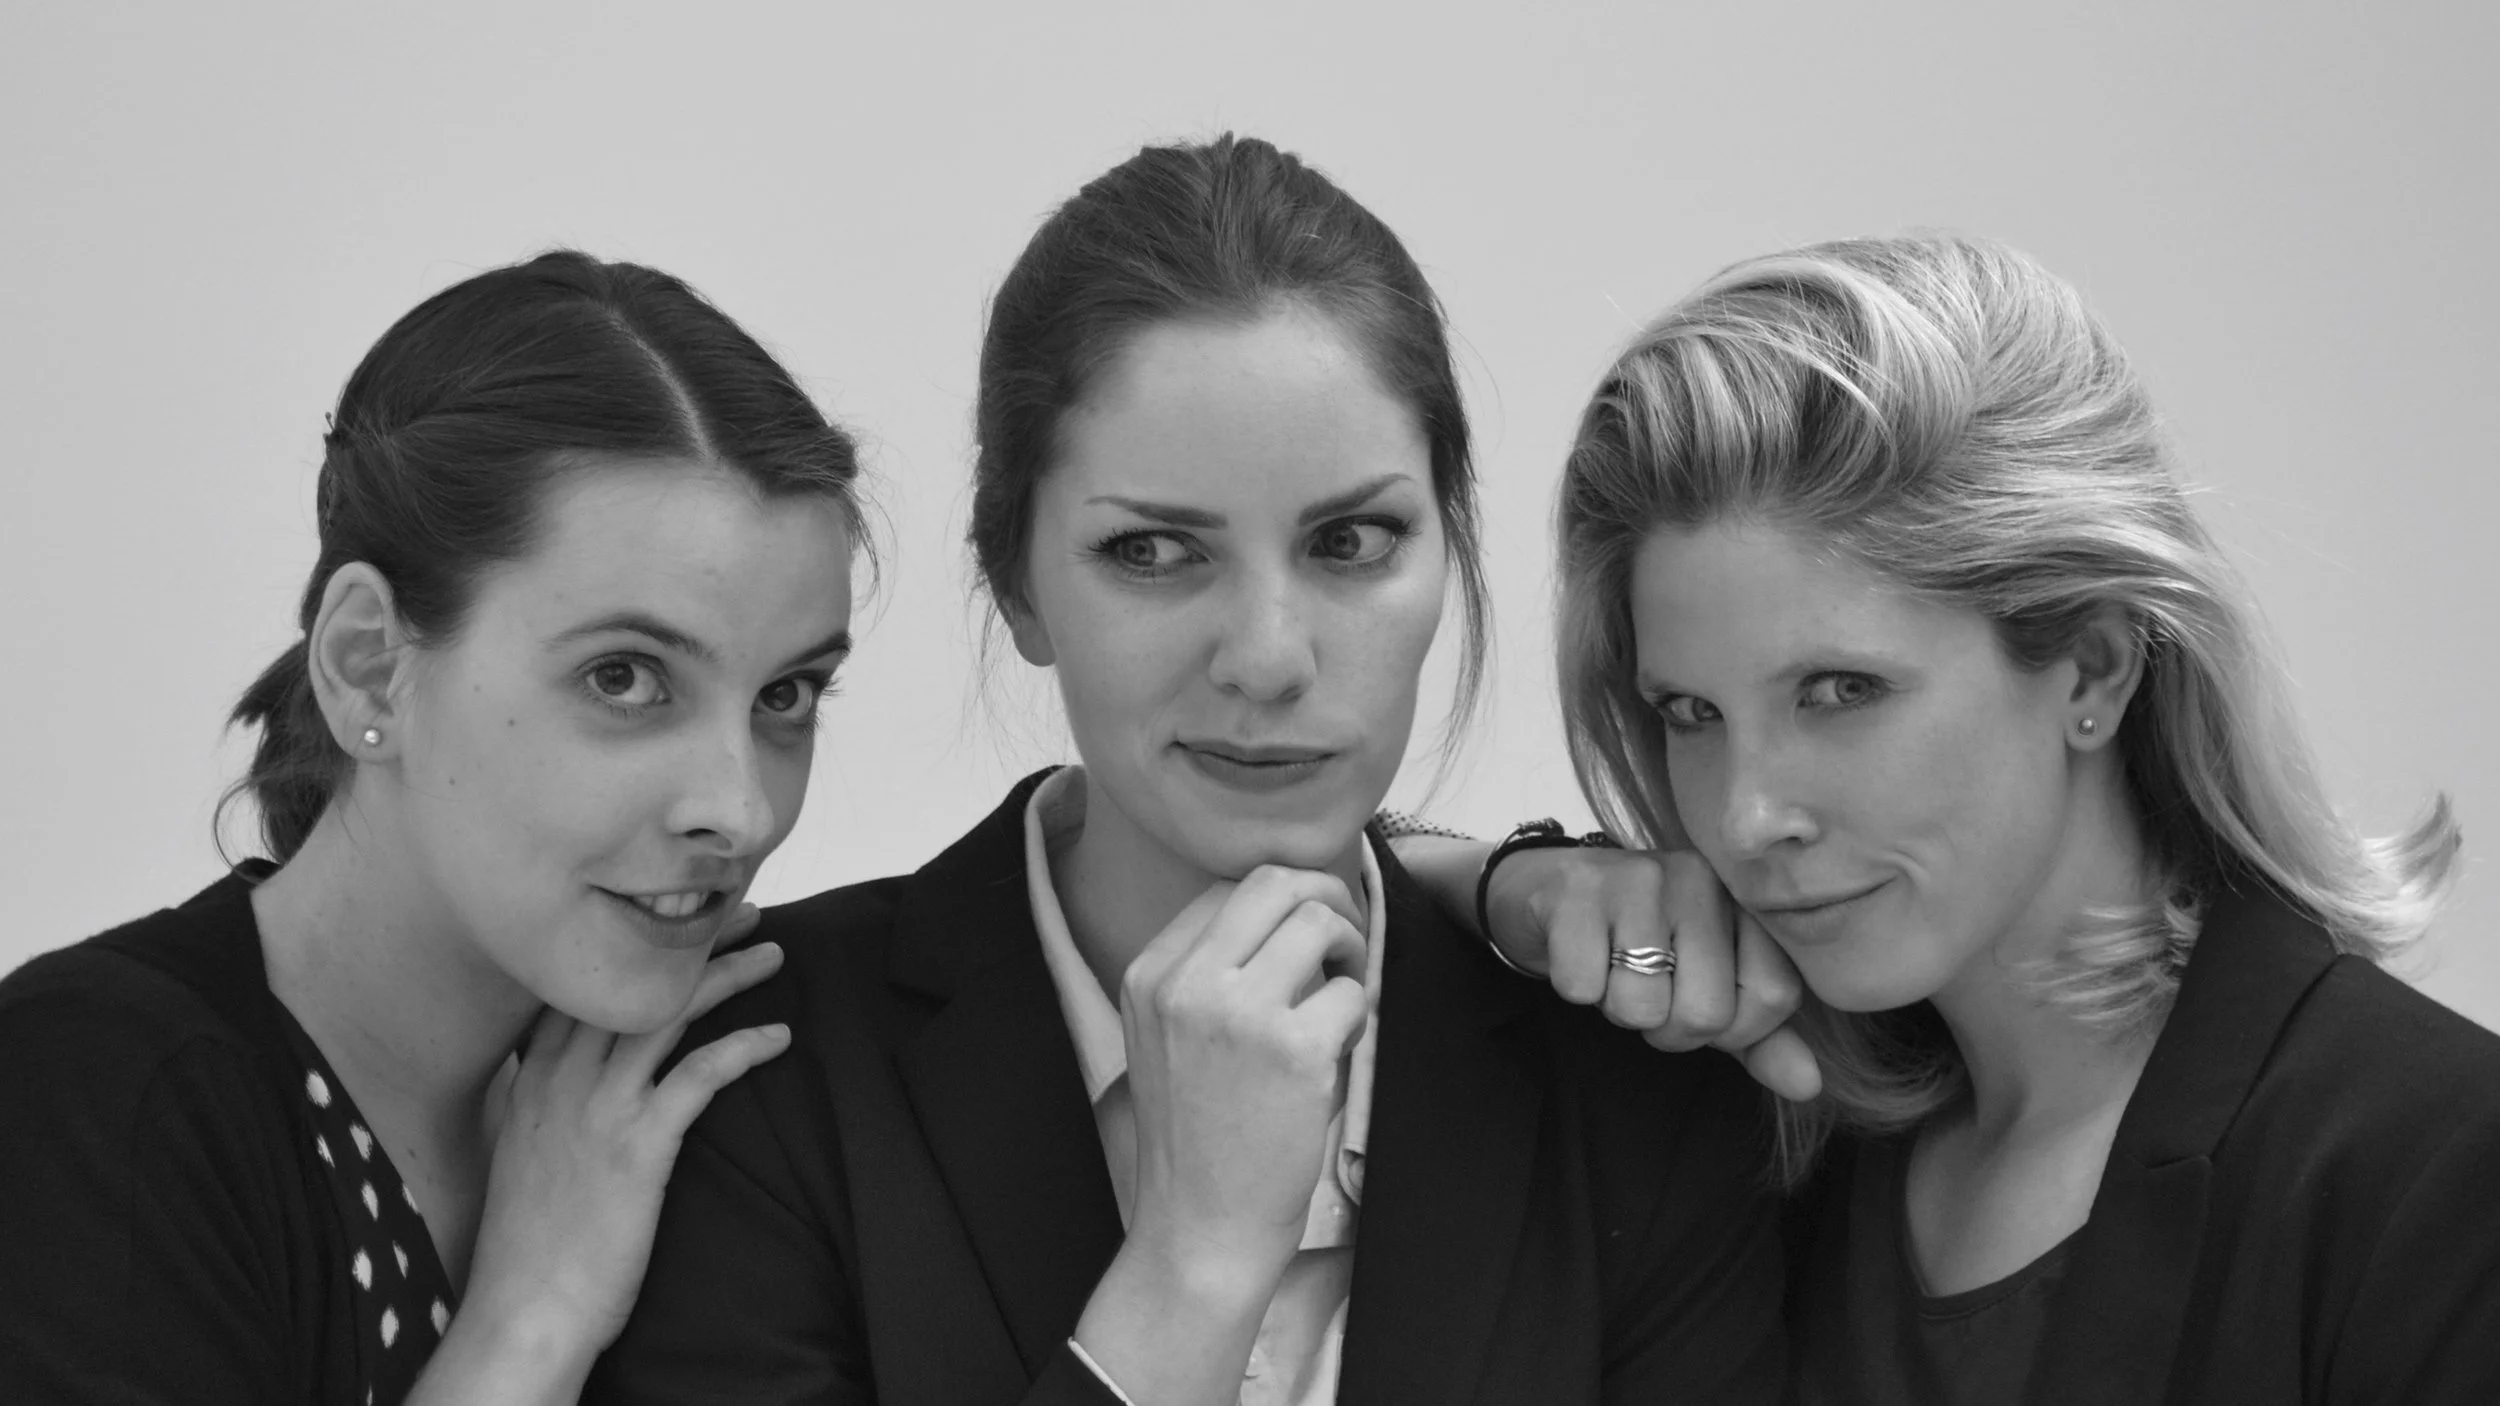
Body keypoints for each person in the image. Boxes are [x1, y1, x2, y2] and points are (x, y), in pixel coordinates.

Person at [594, 135, 1788, 1406]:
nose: (1268, 659)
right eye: (1155, 552)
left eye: (1351, 539)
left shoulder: (1638, 1093)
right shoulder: (749, 1081)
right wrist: (1193, 1267)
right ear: (1017, 588)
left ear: (1449, 552)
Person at [1501, 231, 2498, 1402]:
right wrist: (1512, 887)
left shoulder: (2432, 1169)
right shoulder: (1764, 1148)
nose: (1747, 812)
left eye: (1839, 692)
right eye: (1690, 712)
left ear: (2090, 666)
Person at [0, 251, 870, 1406]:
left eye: (784, 696)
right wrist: (531, 1320)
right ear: (368, 666)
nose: (740, 807)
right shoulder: (96, 1098)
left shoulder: (690, 1107)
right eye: (625, 676)